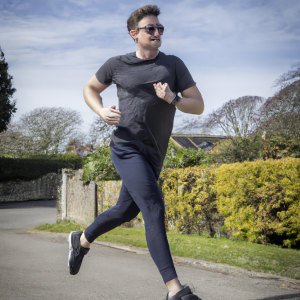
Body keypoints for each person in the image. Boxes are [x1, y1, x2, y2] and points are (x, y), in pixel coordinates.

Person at [68, 5, 204, 300]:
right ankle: (175, 290)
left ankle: (82, 240)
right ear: (134, 34)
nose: (157, 33)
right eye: (150, 29)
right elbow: (90, 88)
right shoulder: (116, 64)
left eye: (160, 28)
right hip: (126, 147)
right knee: (153, 207)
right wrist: (101, 110)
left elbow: (198, 105)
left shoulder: (174, 65)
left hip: (154, 154)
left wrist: (174, 98)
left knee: (126, 210)